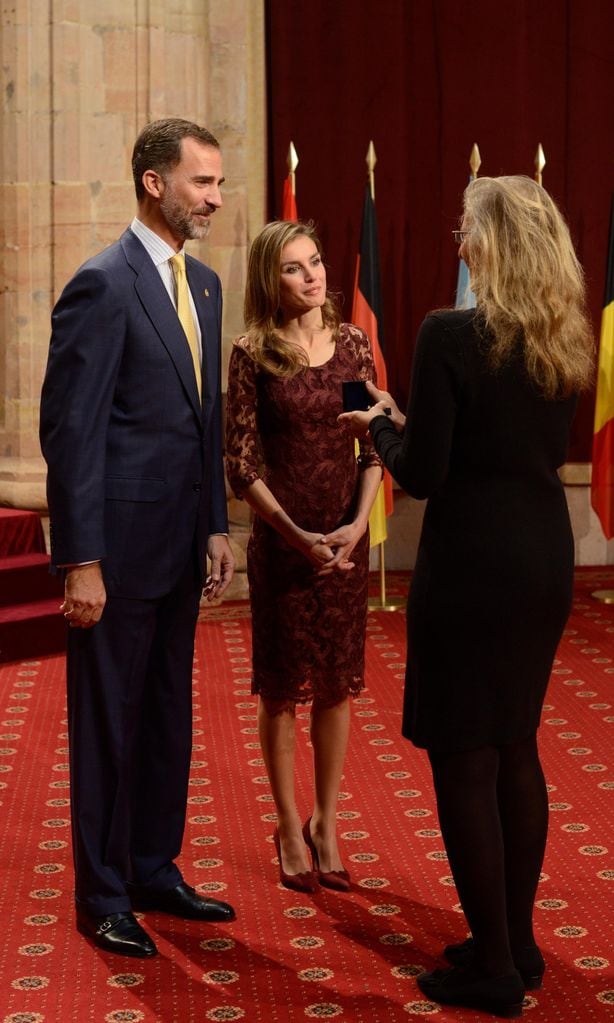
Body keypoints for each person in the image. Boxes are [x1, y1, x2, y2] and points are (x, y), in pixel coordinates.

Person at [339, 176, 593, 1017]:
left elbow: (426, 470)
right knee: (515, 746)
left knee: (464, 758)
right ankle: (512, 943)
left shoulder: (449, 333)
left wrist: (376, 424)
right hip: (541, 556)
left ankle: (492, 970)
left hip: (474, 567)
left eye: (467, 230)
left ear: (496, 242)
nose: (458, 244)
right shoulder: (562, 334)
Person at [39, 118, 236, 958]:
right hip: (114, 553)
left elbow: (206, 419)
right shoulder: (102, 284)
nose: (217, 199)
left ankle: (155, 866)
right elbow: (70, 432)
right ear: (154, 182)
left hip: (182, 543)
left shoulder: (206, 285)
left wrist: (218, 523)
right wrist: (80, 559)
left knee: (163, 716)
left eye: (219, 184)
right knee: (108, 722)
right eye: (203, 183)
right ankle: (104, 890)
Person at [225, 220, 382, 894]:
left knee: (338, 683)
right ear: (271, 280)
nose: (313, 274)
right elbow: (242, 463)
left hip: (344, 545)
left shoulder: (352, 347)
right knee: (285, 687)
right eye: (294, 267)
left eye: (315, 260)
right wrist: (296, 535)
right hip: (285, 546)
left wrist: (356, 527)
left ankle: (328, 823)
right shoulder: (253, 353)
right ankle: (288, 822)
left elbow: (370, 445)